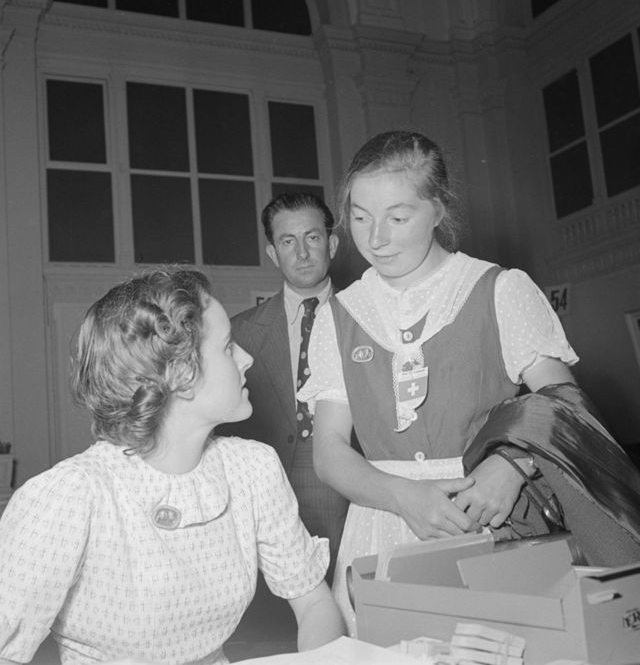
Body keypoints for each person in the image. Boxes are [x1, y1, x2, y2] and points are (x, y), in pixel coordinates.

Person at [297, 130, 579, 631]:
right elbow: (329, 451)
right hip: (381, 522)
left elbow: (566, 406)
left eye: (398, 217)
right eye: (360, 217)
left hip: (488, 517)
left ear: (438, 210)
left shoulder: (498, 289)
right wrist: (401, 496)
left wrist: (513, 466)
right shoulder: (338, 316)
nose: (375, 238)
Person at [0, 268, 345, 665]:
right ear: (181, 374)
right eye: (228, 347)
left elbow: (315, 603)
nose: (247, 359)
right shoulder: (71, 496)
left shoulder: (252, 468)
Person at [219, 193, 349, 580]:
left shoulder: (367, 321)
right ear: (273, 254)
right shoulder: (240, 333)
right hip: (268, 504)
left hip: (352, 498)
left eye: (313, 238)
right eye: (288, 241)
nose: (302, 253)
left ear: (332, 245)